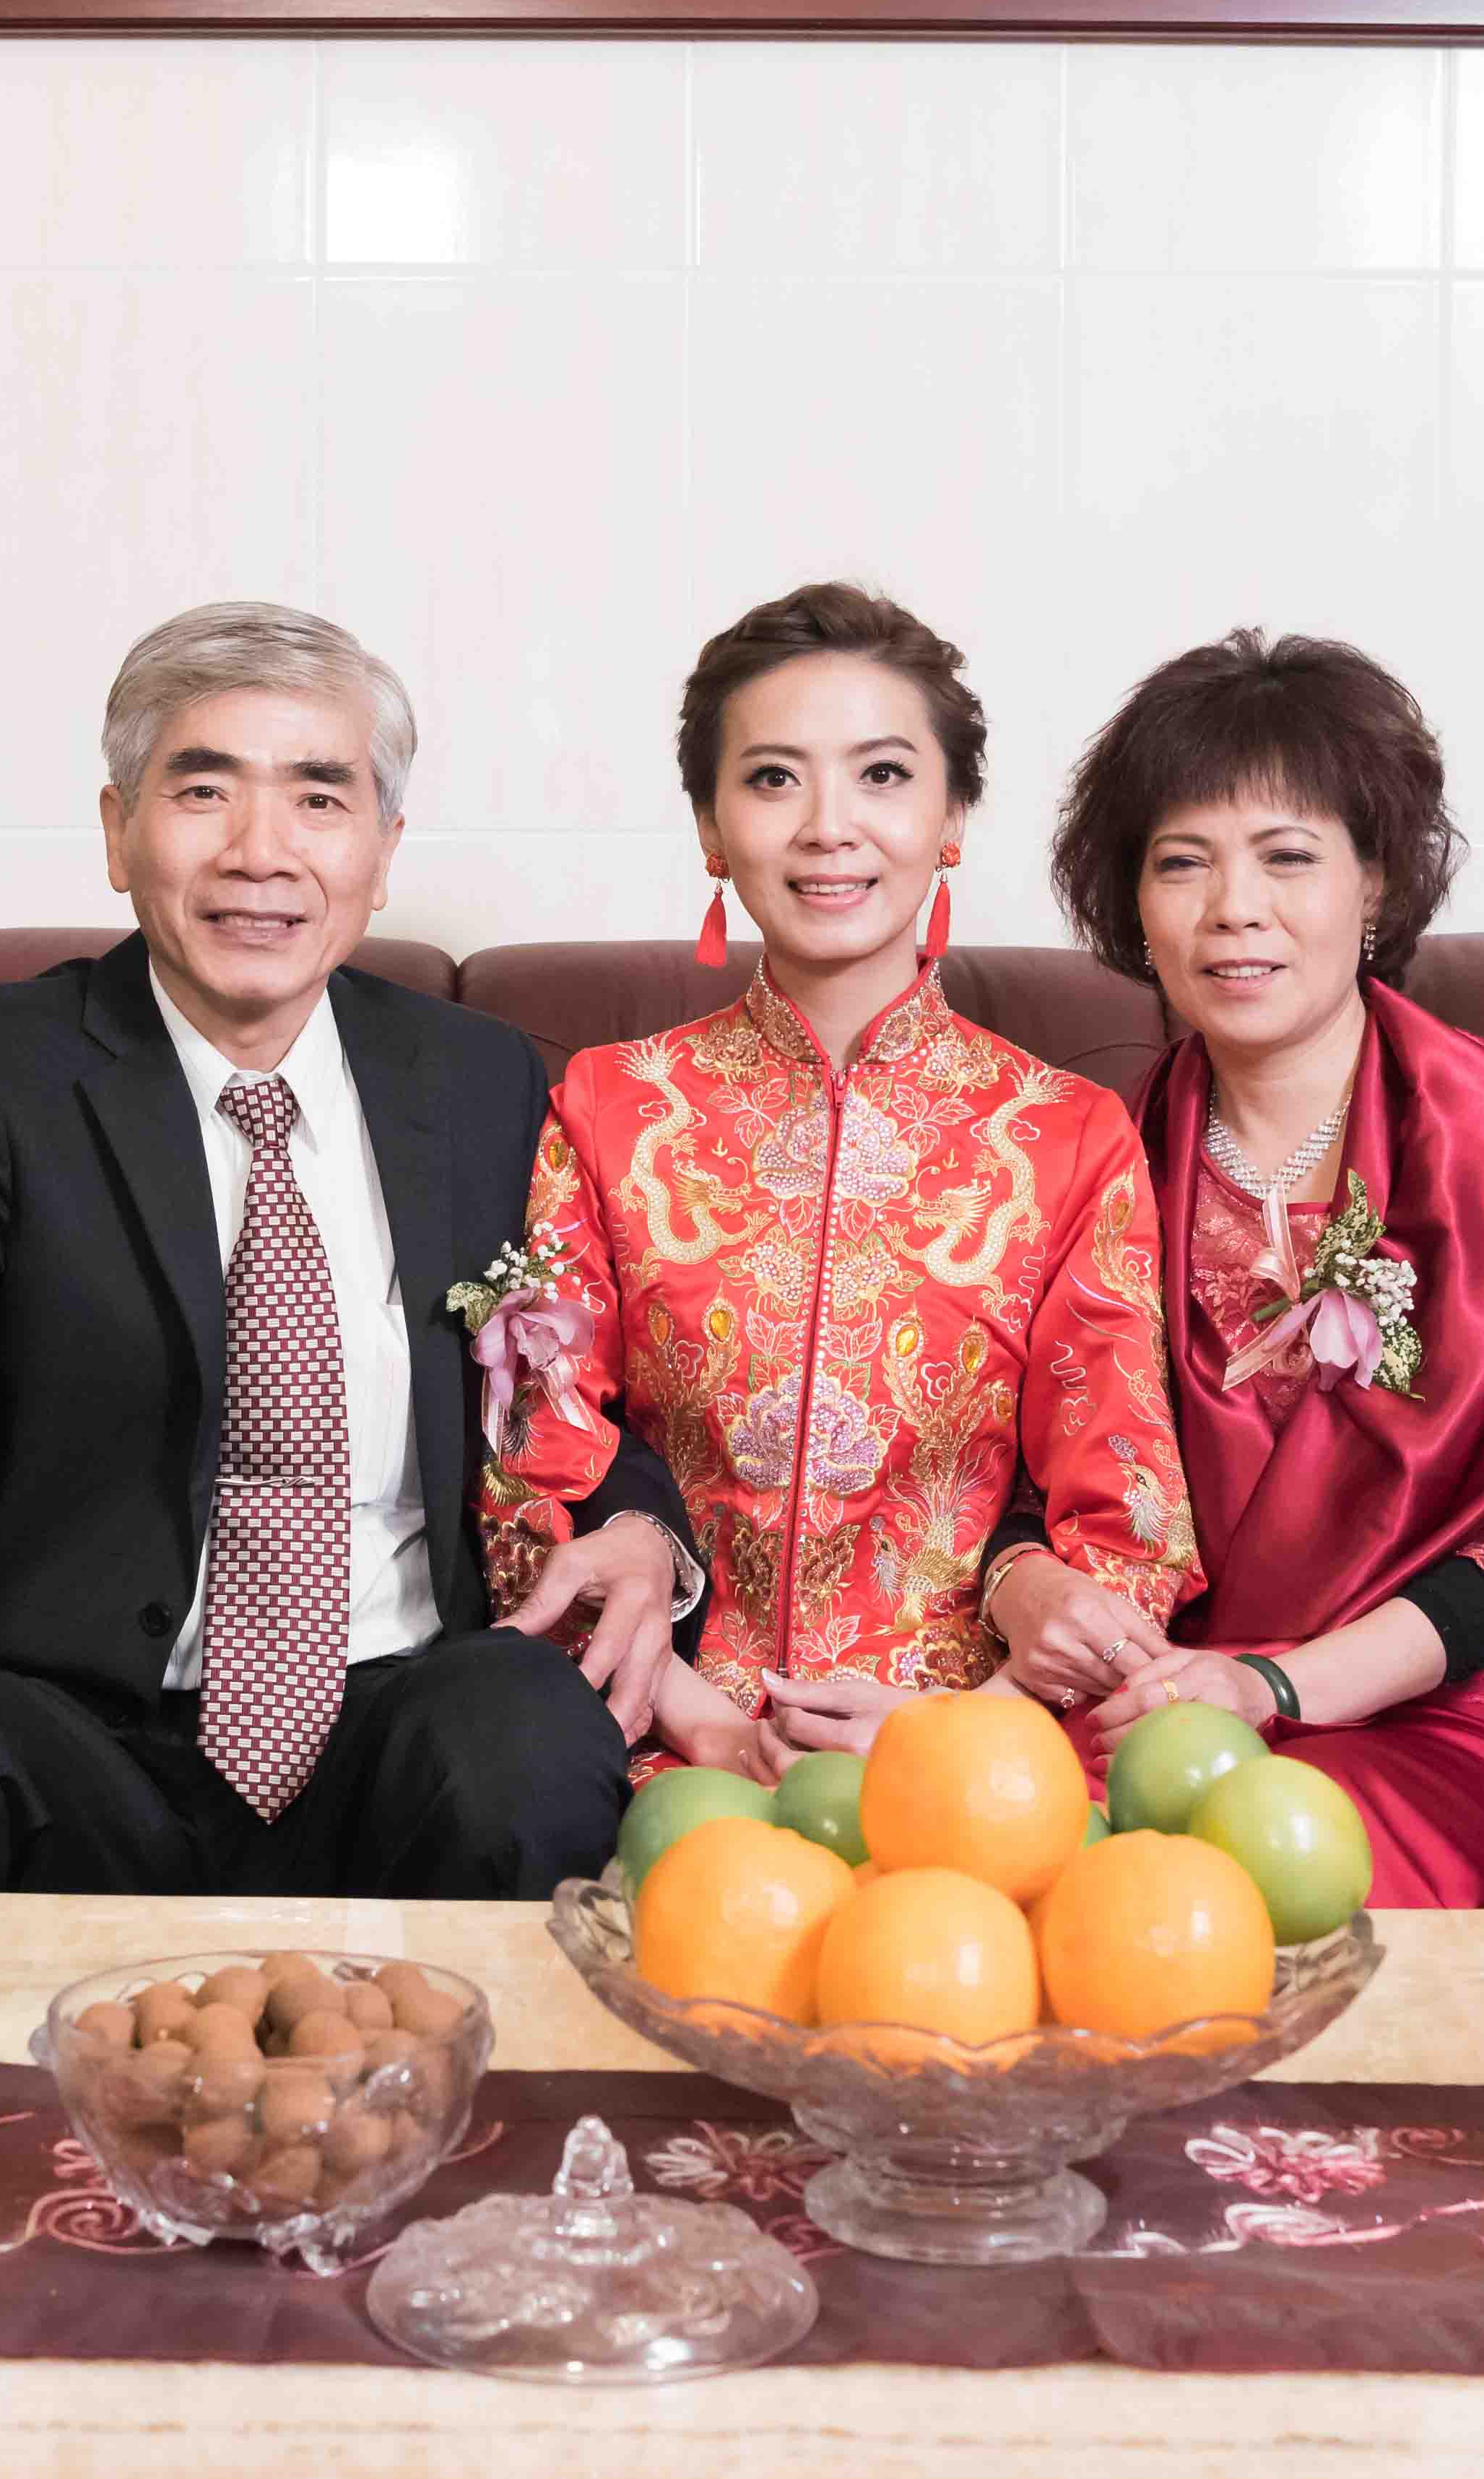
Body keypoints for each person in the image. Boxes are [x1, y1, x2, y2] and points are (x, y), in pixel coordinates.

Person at [0, 604, 695, 1895]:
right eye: (203, 792)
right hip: (74, 1727)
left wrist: (641, 1527)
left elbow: (566, 1382)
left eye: (319, 799)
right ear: (117, 832)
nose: (260, 853)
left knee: (524, 1735)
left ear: (383, 849)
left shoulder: (474, 1081)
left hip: (403, 1710)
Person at [482, 583, 1192, 1777]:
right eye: (772, 778)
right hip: (657, 1730)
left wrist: (961, 1731)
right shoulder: (607, 1109)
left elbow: (1126, 1509)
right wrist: (701, 1725)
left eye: (882, 775)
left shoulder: (1068, 1134)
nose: (827, 827)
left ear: (952, 816)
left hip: (969, 1750)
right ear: (709, 828)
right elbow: (533, 1459)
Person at [1033, 630, 1484, 1905]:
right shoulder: (1086, 1155)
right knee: (1005, 1873)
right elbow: (1023, 1480)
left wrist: (1272, 1686)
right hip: (1147, 1702)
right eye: (1181, 862)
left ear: (1375, 883)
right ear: (1131, 903)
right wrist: (1041, 1598)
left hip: (1436, 1717)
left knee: (1230, 1884)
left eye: (1287, 857)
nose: (1233, 908)